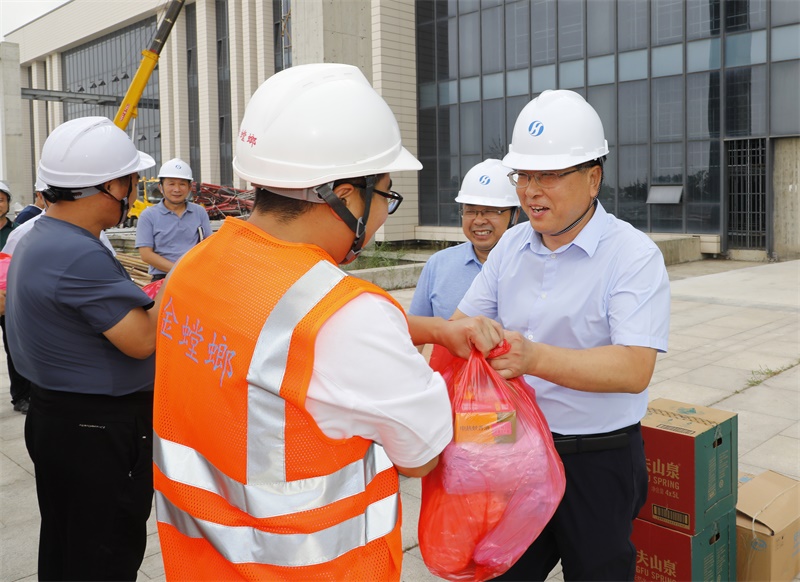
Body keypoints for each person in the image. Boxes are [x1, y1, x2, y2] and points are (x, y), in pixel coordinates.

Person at [152, 63, 501, 581]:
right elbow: (420, 456)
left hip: (199, 564)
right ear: (346, 193)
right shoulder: (345, 313)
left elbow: (280, 339)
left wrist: (435, 331)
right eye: (386, 194)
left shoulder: (194, 265)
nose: (381, 216)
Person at [452, 90, 671, 581]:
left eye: (548, 175)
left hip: (597, 460)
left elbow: (634, 367)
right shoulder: (511, 246)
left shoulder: (632, 256)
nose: (531, 191)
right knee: (501, 572)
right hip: (513, 449)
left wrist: (533, 358)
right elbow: (460, 326)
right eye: (523, 176)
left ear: (593, 178)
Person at [5, 116, 164, 581]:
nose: (132, 192)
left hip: (61, 419)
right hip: (97, 431)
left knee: (69, 546)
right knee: (104, 554)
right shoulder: (76, 253)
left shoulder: (41, 235)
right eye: (130, 181)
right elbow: (142, 340)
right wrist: (181, 282)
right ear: (112, 186)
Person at [409, 158, 520, 320]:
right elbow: (416, 329)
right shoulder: (438, 264)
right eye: (470, 211)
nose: (479, 220)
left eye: (491, 211)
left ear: (514, 215)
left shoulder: (530, 264)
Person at [135, 158, 211, 281]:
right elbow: (146, 254)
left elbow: (209, 246)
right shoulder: (148, 216)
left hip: (195, 276)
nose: (177, 189)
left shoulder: (199, 212)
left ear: (189, 187)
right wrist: (179, 271)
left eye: (182, 184)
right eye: (171, 184)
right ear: (161, 187)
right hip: (163, 279)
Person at [0, 180, 25, 412]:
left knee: (15, 347)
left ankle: (21, 396)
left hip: (10, 298)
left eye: (1, 199)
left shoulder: (18, 231)